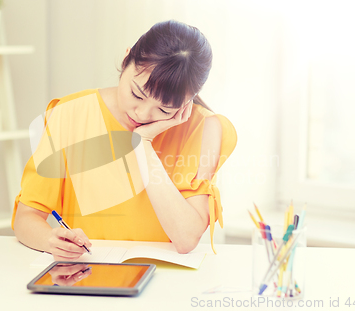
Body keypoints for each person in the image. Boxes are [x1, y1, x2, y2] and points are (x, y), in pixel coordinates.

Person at [12, 20, 237, 261]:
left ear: (188, 102)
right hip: (86, 273)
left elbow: (186, 238)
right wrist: (50, 240)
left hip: (165, 281)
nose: (142, 114)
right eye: (136, 94)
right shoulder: (70, 113)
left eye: (164, 110)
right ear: (126, 59)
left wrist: (144, 144)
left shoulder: (203, 129)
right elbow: (26, 217)